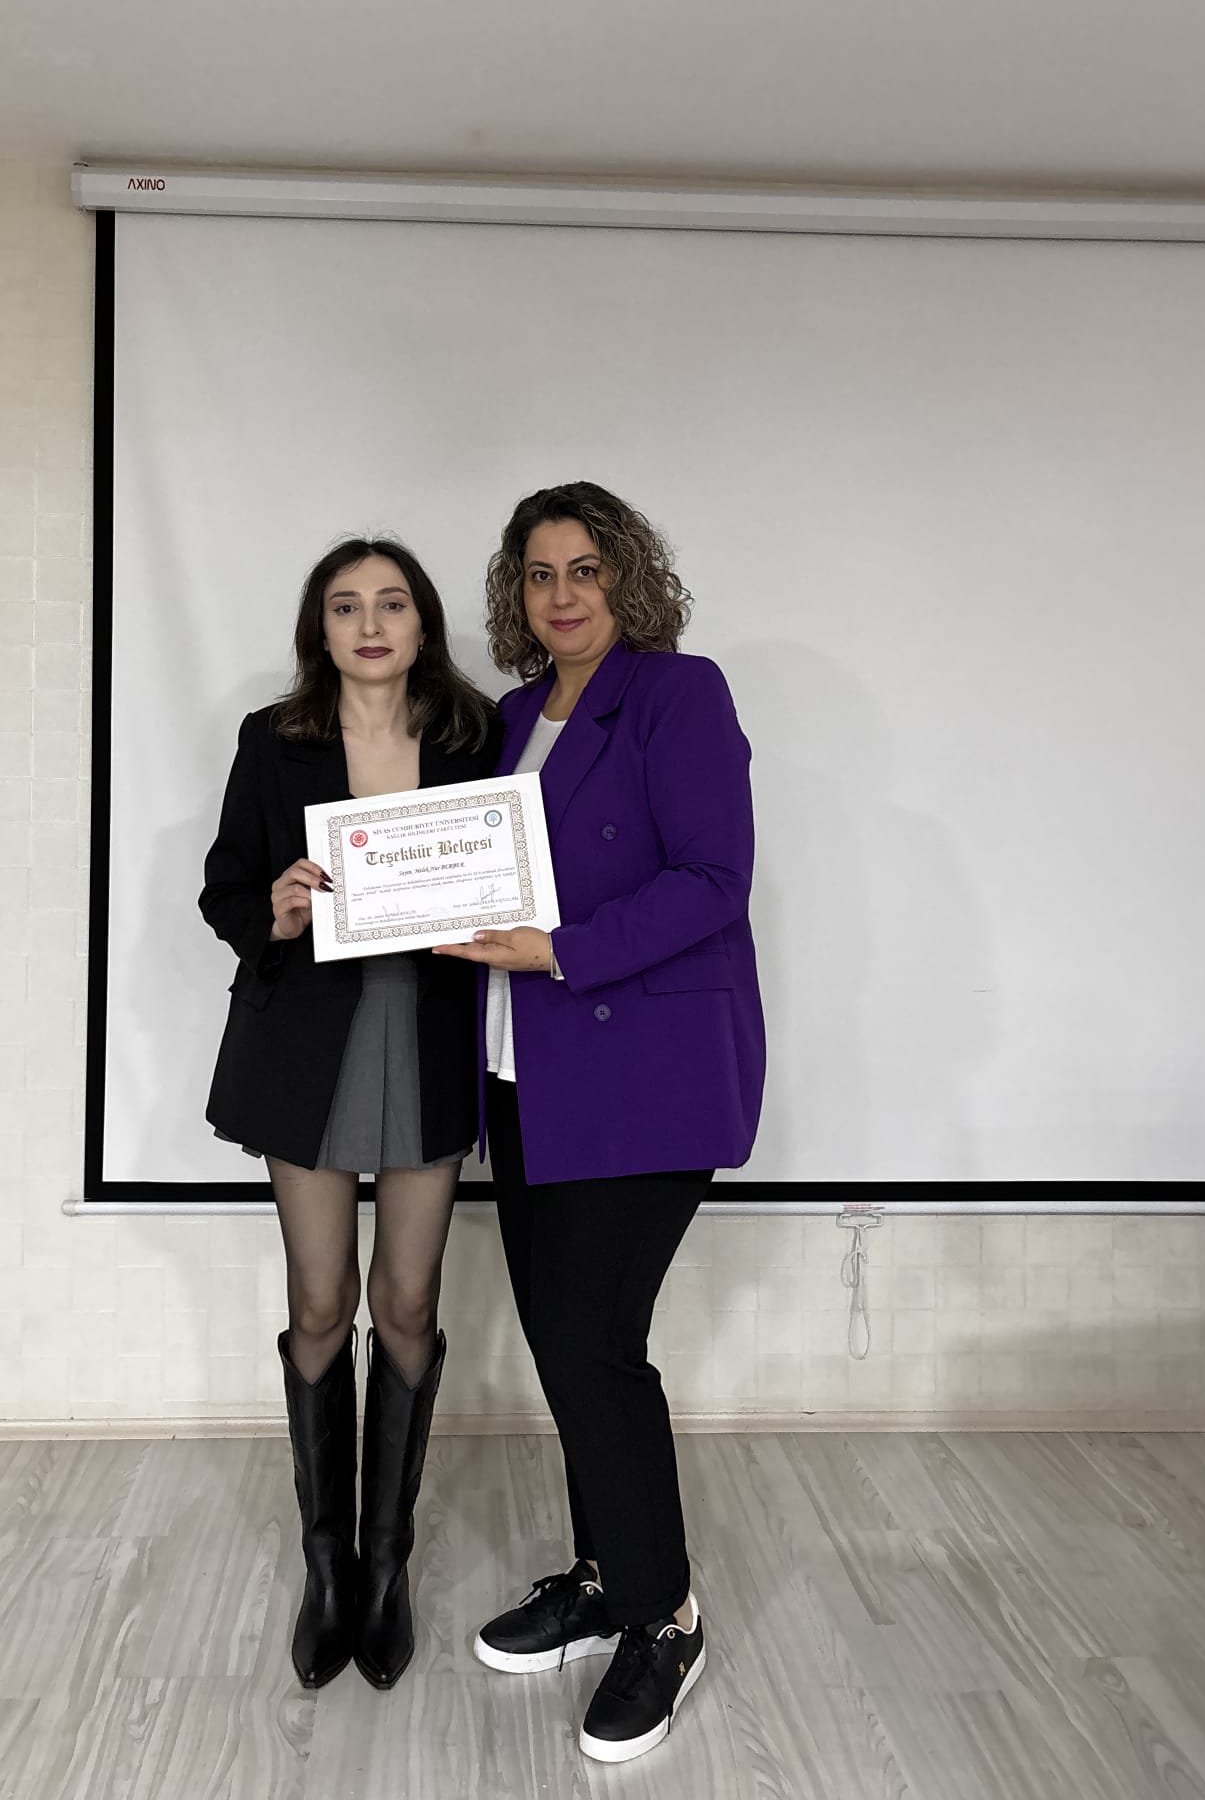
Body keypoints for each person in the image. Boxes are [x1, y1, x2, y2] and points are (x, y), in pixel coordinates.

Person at [435, 483, 765, 1764]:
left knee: (592, 1346)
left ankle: (663, 1616)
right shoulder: (517, 716)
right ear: (515, 594)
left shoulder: (680, 695)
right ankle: (606, 1573)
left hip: (645, 1074)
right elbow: (460, 867)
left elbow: (712, 880)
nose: (561, 593)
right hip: (530, 1076)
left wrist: (561, 949)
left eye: (585, 568)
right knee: (566, 1345)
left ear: (628, 576)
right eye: (538, 573)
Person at [200, 537, 499, 1692]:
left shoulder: (475, 739)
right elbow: (226, 887)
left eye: (391, 603)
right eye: (344, 606)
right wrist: (273, 910)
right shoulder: (272, 741)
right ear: (318, 629)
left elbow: (516, 874)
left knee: (407, 1300)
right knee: (321, 1302)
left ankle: (387, 1568)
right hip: (306, 1046)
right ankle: (327, 1569)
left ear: (422, 624)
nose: (370, 625)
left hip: (426, 1036)